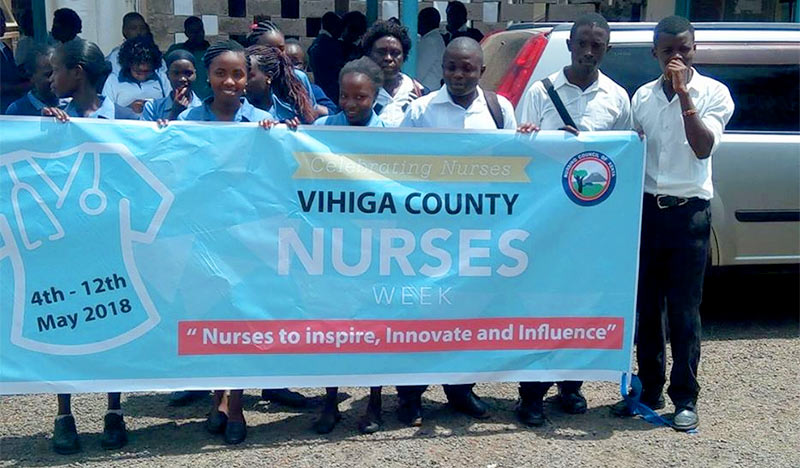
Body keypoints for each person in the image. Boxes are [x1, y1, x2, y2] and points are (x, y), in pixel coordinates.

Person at [610, 16, 734, 432]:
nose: (676, 57)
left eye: (684, 49)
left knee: (684, 310)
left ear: (695, 49)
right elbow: (629, 153)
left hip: (689, 213)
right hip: (648, 210)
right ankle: (649, 390)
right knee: (647, 308)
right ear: (655, 53)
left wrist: (684, 96)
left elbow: (702, 147)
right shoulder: (641, 97)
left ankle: (685, 397)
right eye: (668, 51)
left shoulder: (715, 93)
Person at [514, 13, 632, 427]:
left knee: (582, 305)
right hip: (546, 223)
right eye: (582, 42)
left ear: (606, 49)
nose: (587, 51)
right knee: (541, 305)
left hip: (591, 227)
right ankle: (530, 394)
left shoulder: (618, 99)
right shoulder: (540, 93)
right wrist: (533, 138)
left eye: (596, 45)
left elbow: (623, 163)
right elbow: (519, 155)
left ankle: (570, 385)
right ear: (569, 45)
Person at [398, 37, 523, 425]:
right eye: (451, 66)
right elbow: (394, 163)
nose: (458, 75)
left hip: (478, 234)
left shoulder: (500, 110)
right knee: (421, 314)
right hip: (427, 234)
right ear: (443, 69)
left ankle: (459, 387)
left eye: (467, 68)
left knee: (468, 314)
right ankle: (410, 395)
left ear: (482, 71)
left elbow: (519, 164)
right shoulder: (420, 111)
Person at [175, 41, 276, 443]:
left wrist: (279, 139)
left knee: (243, 319)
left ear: (248, 77)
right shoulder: (187, 121)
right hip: (201, 236)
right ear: (208, 77)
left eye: (238, 74)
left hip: (247, 237)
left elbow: (275, 176)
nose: (230, 81)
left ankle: (236, 405)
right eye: (222, 73)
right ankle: (217, 397)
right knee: (211, 319)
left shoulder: (263, 122)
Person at [41, 37, 137, 455]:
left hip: (110, 240)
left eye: (55, 69)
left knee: (113, 323)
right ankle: (64, 413)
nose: (50, 78)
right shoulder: (37, 118)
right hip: (62, 240)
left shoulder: (123, 119)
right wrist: (45, 134)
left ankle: (113, 410)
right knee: (65, 323)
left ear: (77, 71)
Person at [310, 59, 387, 435]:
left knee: (374, 323)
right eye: (345, 95)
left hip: (376, 242)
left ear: (375, 95)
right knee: (333, 323)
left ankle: (374, 401)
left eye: (361, 96)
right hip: (332, 242)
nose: (351, 103)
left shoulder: (391, 132)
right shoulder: (322, 128)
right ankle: (330, 399)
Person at [362, 20, 426, 127]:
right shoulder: (358, 91)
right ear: (369, 54)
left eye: (395, 53)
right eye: (381, 52)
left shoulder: (419, 92)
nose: (388, 58)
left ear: (404, 57)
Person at [245, 45, 317, 124]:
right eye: (240, 75)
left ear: (269, 76)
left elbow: (311, 126)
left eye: (248, 76)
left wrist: (288, 129)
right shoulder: (237, 109)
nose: (243, 81)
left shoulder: (293, 106)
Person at [102, 36, 171, 116]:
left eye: (147, 72)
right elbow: (105, 111)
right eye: (138, 72)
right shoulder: (113, 81)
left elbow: (170, 105)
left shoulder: (162, 79)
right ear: (129, 65)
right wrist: (128, 109)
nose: (143, 76)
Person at [141, 49, 202, 121]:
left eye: (188, 73)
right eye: (176, 73)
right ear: (167, 75)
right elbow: (146, 132)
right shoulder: (153, 107)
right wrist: (174, 113)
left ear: (195, 74)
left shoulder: (204, 108)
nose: (183, 79)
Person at [285, 38, 338, 115]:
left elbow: (334, 113)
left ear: (305, 67)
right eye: (285, 63)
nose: (290, 68)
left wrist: (313, 109)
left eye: (296, 64)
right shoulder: (271, 90)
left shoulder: (313, 90)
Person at [6, 44, 60, 115]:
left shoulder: (71, 106)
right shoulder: (18, 110)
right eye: (48, 74)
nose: (54, 78)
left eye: (57, 72)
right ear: (31, 77)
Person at [166, 16, 211, 99]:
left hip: (208, 98)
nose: (197, 34)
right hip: (183, 97)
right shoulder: (176, 51)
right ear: (186, 33)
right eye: (193, 32)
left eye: (199, 30)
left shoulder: (212, 52)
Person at [307, 11, 344, 102]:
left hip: (321, 87)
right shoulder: (330, 45)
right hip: (332, 92)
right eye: (339, 26)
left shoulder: (315, 43)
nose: (341, 31)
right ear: (332, 26)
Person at [0, 7, 26, 113]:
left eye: (3, 19)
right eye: (0, 20)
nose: (3, 24)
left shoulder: (4, 47)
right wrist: (21, 87)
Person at [416, 7, 446, 91]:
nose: (417, 23)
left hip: (425, 89)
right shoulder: (436, 38)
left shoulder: (430, 41)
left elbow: (419, 71)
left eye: (419, 20)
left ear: (426, 22)